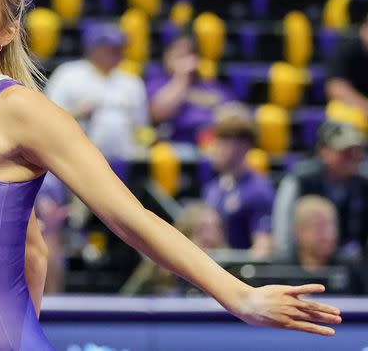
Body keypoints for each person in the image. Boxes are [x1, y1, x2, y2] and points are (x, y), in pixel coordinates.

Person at [0, 0, 341, 350]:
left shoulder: (17, 109)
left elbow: (130, 217)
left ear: (6, 32)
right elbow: (31, 250)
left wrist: (239, 297)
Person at [44, 21, 149, 181]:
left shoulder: (131, 81)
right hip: (77, 160)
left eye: (120, 48)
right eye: (111, 48)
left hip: (123, 161)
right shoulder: (69, 74)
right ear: (94, 49)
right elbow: (47, 119)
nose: (118, 53)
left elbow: (141, 127)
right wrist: (77, 113)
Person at [273, 121, 368, 260]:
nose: (352, 156)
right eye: (344, 151)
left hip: (352, 267)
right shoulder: (299, 180)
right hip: (303, 264)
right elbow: (283, 236)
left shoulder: (363, 184)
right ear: (323, 151)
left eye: (355, 150)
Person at [202, 102, 275, 258]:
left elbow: (262, 250)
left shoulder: (258, 190)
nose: (215, 147)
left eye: (223, 140)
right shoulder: (213, 188)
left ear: (243, 145)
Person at [147, 34, 234, 143]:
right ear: (167, 58)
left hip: (212, 142)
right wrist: (182, 78)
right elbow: (158, 113)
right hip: (175, 144)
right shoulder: (157, 83)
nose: (187, 61)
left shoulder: (210, 85)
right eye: (180, 56)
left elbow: (232, 114)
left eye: (190, 55)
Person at [326, 14, 368, 116]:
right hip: (358, 111)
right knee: (338, 111)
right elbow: (335, 87)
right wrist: (365, 106)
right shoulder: (348, 49)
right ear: (363, 30)